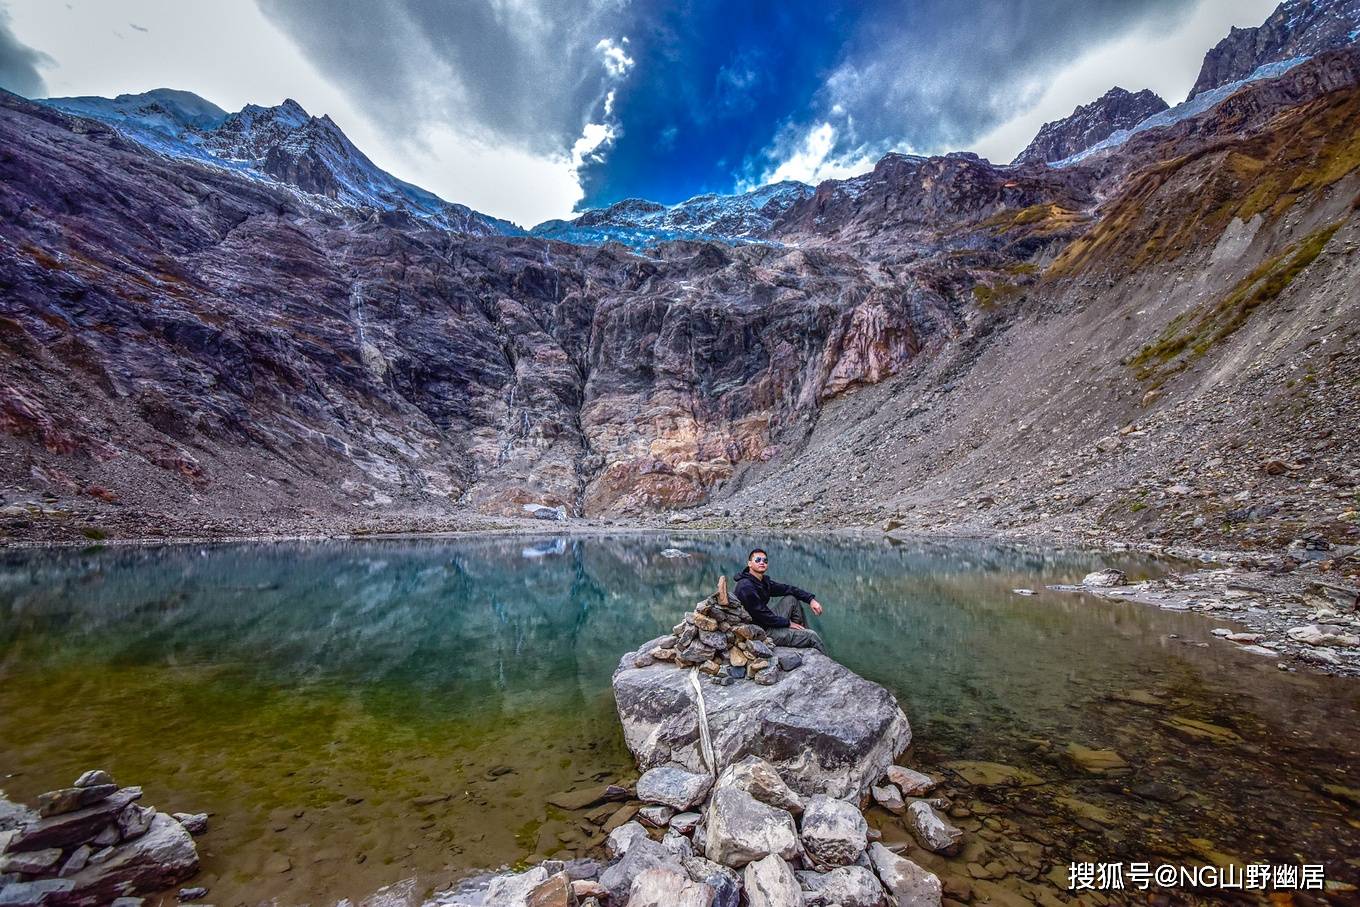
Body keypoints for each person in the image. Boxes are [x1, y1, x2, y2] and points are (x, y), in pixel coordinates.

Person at [732, 548, 826, 652]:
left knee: (791, 599)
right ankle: (822, 660)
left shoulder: (762, 582)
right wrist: (787, 623)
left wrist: (810, 600)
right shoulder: (746, 587)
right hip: (760, 631)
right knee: (812, 636)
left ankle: (800, 633)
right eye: (758, 560)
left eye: (765, 560)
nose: (762, 562)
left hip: (765, 622)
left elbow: (788, 589)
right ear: (749, 563)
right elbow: (763, 615)